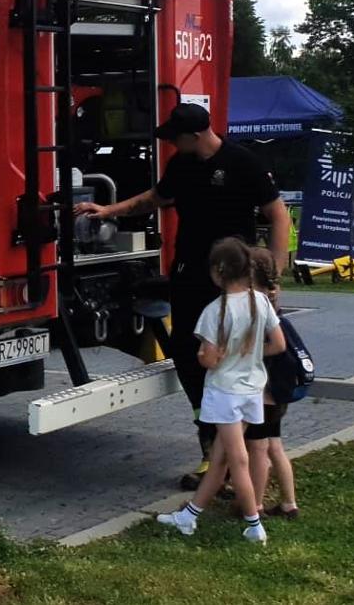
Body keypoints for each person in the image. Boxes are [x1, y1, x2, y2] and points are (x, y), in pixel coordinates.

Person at [74, 101, 293, 489]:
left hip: (233, 280)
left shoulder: (242, 163)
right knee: (188, 354)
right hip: (190, 272)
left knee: (236, 359)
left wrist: (271, 277)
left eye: (176, 138)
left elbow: (278, 215)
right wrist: (108, 211)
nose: (171, 144)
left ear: (194, 136)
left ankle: (248, 452)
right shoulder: (182, 165)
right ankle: (213, 447)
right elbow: (153, 199)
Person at [156, 238, 287, 544]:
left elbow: (209, 359)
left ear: (218, 272)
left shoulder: (214, 311)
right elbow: (278, 344)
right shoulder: (261, 301)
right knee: (220, 458)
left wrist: (211, 356)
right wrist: (249, 354)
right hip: (252, 389)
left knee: (236, 459)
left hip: (224, 393)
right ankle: (189, 516)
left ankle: (253, 523)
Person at [247, 245, 301, 520]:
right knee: (276, 446)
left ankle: (254, 503)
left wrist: (246, 352)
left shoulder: (256, 306)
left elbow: (273, 346)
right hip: (279, 391)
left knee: (258, 447)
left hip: (263, 392)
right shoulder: (273, 299)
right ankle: (289, 502)